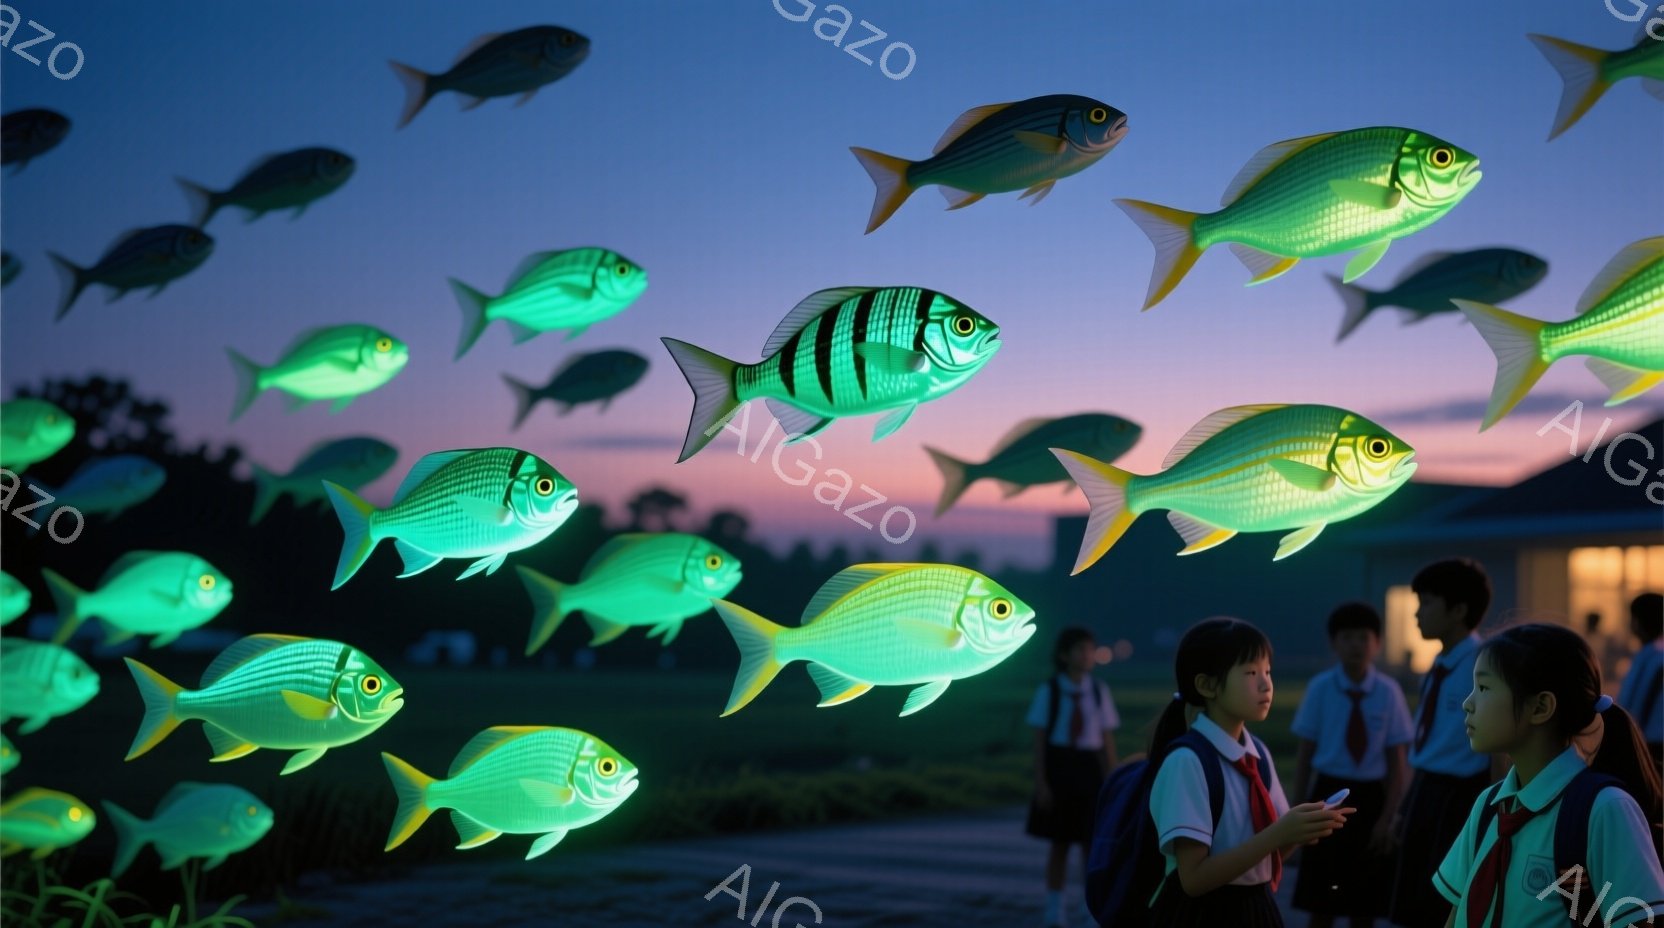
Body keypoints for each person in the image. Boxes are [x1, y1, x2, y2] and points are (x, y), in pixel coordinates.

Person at [1434, 622, 1664, 927]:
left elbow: (1637, 921)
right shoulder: (1490, 807)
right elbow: (1457, 914)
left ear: (1541, 707)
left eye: (1485, 687)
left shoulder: (1603, 809)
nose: (1468, 703)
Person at [1146, 617, 1355, 927]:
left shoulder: (1256, 754)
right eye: (1250, 672)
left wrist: (1302, 829)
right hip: (1203, 915)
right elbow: (1193, 879)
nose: (1266, 683)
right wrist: (1279, 833)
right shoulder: (1187, 761)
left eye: (1268, 671)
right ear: (1207, 685)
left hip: (1256, 908)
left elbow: (1270, 855)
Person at [1389, 558, 1500, 927]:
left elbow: (1496, 747)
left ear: (1458, 611)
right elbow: (1428, 743)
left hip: (1460, 796)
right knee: (1414, 897)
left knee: (1444, 901)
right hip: (1426, 787)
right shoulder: (1441, 663)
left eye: (1427, 603)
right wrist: (1404, 807)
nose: (1417, 614)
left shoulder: (1482, 665)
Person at [1290, 602, 1416, 928]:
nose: (1356, 645)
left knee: (1365, 903)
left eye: (1364, 638)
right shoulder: (1320, 688)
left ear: (1377, 643)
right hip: (1326, 794)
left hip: (1369, 800)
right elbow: (1305, 754)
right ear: (1334, 643)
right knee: (1321, 901)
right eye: (1347, 638)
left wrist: (1388, 818)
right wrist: (1298, 808)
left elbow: (1397, 764)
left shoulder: (1388, 692)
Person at [1026, 626, 1120, 928]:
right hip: (1060, 767)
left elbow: (1106, 740)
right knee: (1060, 842)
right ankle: (1055, 909)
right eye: (1080, 649)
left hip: (1090, 769)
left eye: (1090, 649)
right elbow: (1039, 741)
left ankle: (1089, 907)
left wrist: (1114, 779)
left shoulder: (1098, 690)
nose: (1087, 655)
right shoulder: (1050, 691)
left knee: (1090, 844)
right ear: (1064, 655)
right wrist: (1041, 782)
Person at [1617, 592, 1663, 764]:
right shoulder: (1649, 656)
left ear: (1636, 622)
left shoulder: (1652, 659)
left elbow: (1635, 708)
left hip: (1650, 747)